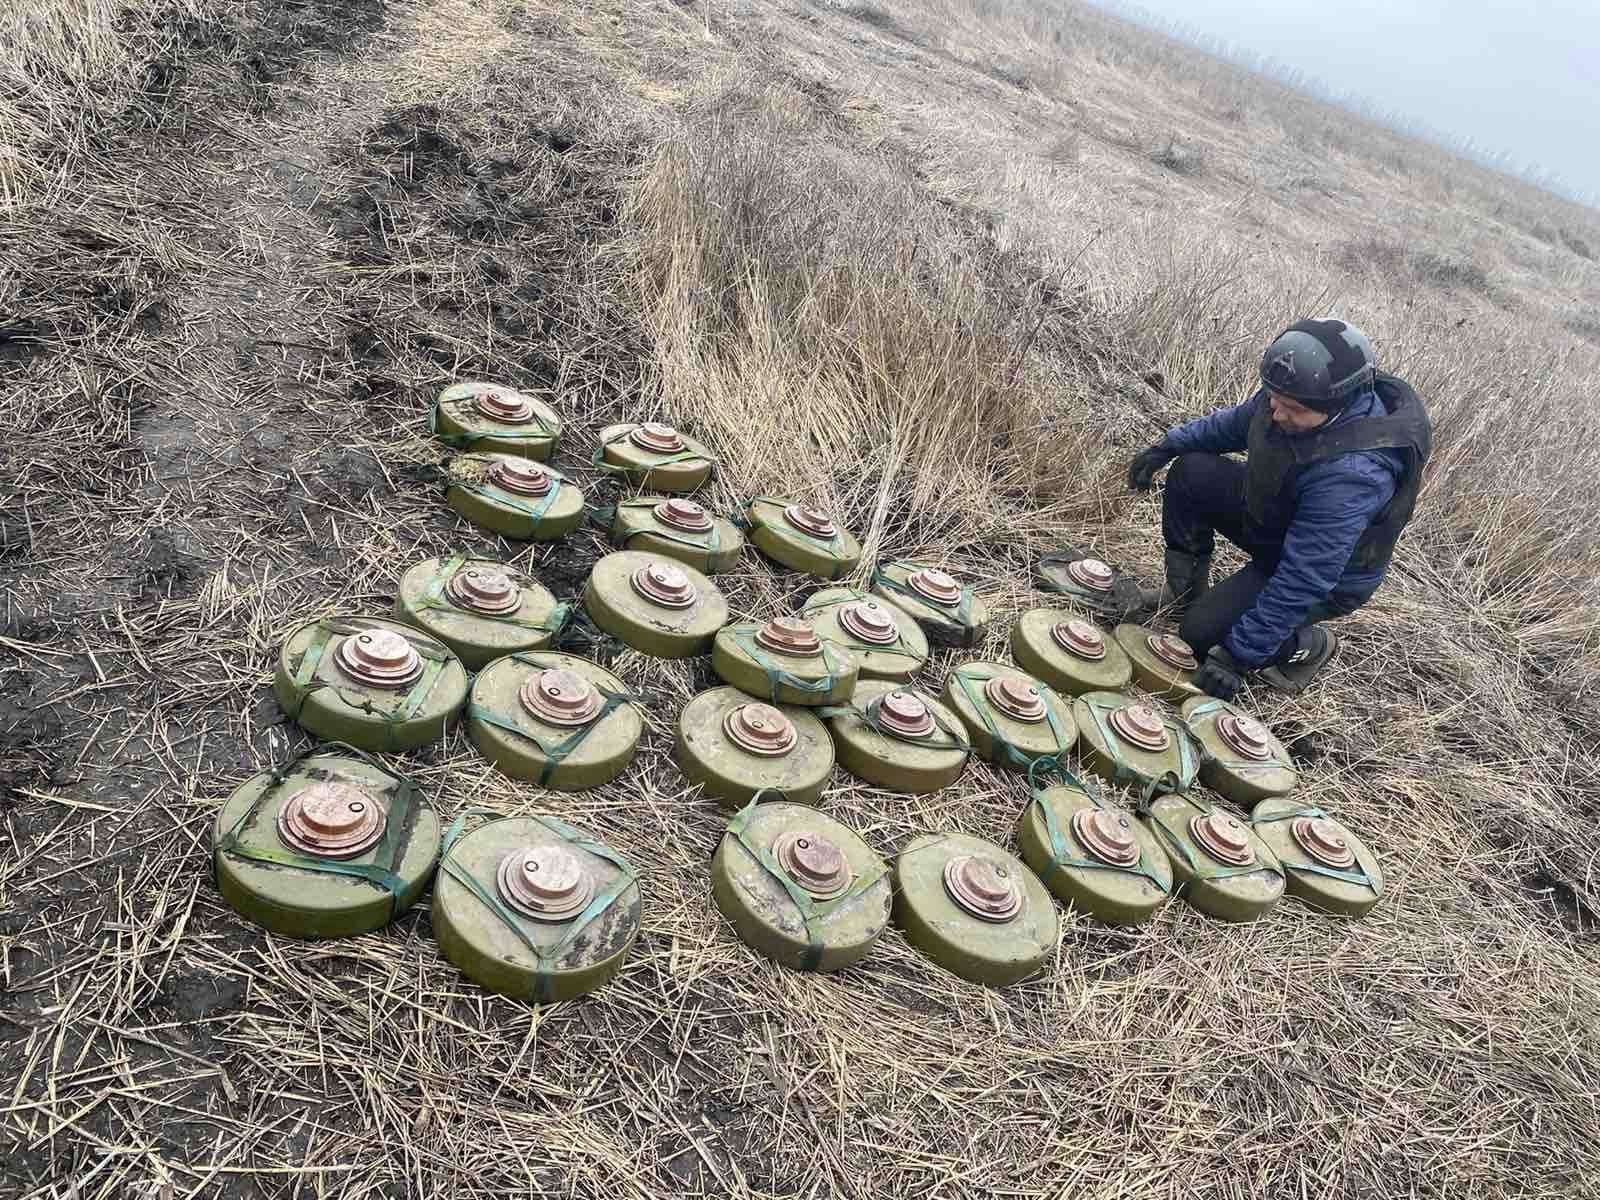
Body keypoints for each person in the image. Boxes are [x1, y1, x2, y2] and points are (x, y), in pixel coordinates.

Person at [1121, 318, 1430, 700]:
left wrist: (1239, 655)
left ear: (1337, 405)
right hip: (1279, 522)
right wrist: (1168, 446)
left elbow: (1306, 576)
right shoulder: (1290, 397)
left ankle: (1309, 646)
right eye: (1273, 399)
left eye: (1293, 409)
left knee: (1199, 638)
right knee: (1191, 470)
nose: (1277, 414)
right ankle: (1184, 591)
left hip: (1329, 577)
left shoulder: (1353, 475)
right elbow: (1234, 425)